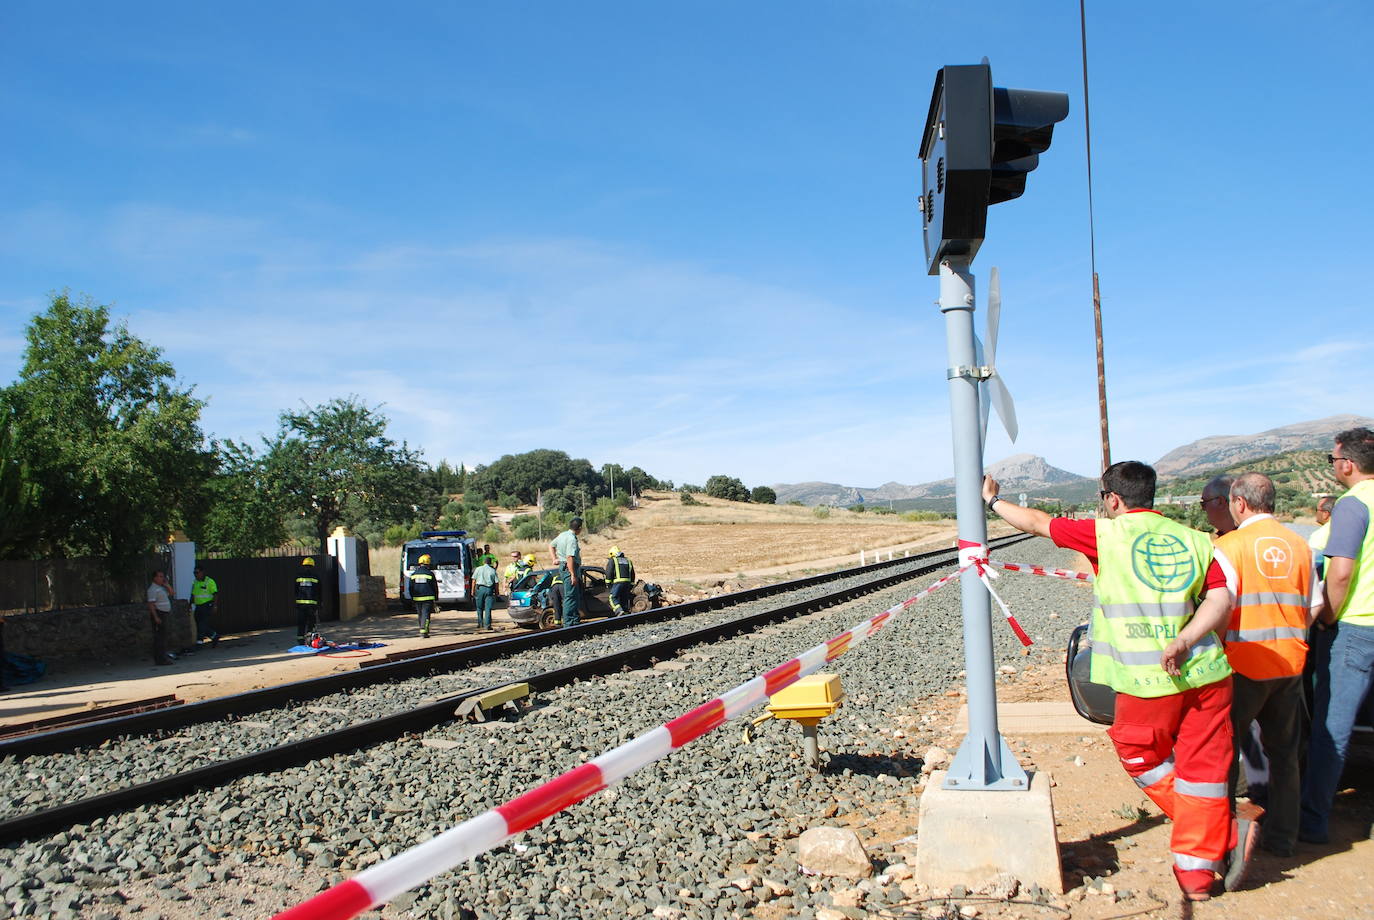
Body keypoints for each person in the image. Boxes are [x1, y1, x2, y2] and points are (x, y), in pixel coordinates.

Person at [984, 461, 1254, 901]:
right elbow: (1222, 599)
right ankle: (1198, 877)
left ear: (1112, 499)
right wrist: (1186, 638)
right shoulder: (1197, 540)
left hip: (1148, 679)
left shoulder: (1105, 534)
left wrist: (992, 500)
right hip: (1207, 673)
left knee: (1138, 752)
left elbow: (1035, 522)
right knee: (1203, 772)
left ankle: (1218, 833)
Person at [1212, 472, 1314, 857]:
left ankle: (1225, 841)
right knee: (1286, 757)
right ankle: (1283, 839)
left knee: (1224, 754)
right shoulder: (1300, 545)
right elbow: (1315, 605)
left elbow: (1220, 607)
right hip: (1290, 664)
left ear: (1239, 503)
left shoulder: (1231, 547)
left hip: (1243, 665)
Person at [1301, 427, 1374, 845]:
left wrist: (1326, 616)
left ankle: (1312, 821)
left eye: (1333, 460)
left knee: (1332, 728)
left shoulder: (1352, 505)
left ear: (1347, 463)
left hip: (1356, 627)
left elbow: (1341, 571)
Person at [548, 517, 584, 627]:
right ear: (579, 528)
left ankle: (574, 620)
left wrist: (554, 559)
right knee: (570, 596)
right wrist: (573, 574)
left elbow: (551, 545)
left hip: (565, 567)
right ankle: (569, 623)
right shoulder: (572, 539)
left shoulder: (562, 535)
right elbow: (570, 557)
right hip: (569, 568)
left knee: (574, 595)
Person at [146, 569, 174, 666]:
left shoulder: (161, 588)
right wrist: (156, 617)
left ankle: (163, 657)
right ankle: (160, 659)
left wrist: (167, 585)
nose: (162, 578)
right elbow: (151, 604)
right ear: (155, 578)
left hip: (164, 614)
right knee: (159, 638)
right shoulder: (152, 589)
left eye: (163, 576)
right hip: (159, 614)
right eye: (160, 576)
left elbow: (171, 593)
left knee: (164, 637)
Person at [409, 553, 438, 638]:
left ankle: (422, 629)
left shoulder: (414, 574)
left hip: (417, 598)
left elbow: (410, 587)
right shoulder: (430, 574)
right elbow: (434, 587)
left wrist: (412, 597)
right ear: (428, 563)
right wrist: (436, 597)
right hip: (428, 598)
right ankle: (424, 631)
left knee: (420, 614)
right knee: (426, 614)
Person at [190, 565, 220, 647]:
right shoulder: (195, 582)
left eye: (197, 573)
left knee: (202, 624)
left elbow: (215, 594)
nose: (195, 574)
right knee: (199, 623)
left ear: (202, 572)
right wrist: (190, 604)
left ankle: (199, 641)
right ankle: (214, 635)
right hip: (198, 606)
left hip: (207, 606)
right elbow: (193, 594)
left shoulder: (209, 582)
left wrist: (215, 606)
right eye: (194, 573)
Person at [294, 557, 321, 644]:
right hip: (312, 605)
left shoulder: (298, 576)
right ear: (312, 566)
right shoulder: (315, 577)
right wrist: (320, 603)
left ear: (304, 566)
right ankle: (310, 641)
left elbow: (296, 590)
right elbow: (319, 591)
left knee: (301, 623)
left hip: (301, 605)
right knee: (311, 624)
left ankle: (300, 641)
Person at [1308, 496, 1336, 579]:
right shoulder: (1348, 529)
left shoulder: (1319, 535)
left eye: (1317, 510)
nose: (1316, 513)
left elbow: (1313, 564)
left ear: (1325, 514)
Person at [472, 555, 499, 630]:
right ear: (490, 563)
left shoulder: (478, 569)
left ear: (484, 562)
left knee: (479, 607)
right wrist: (497, 593)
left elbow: (474, 581)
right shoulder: (493, 570)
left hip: (479, 589)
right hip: (489, 590)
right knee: (488, 608)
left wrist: (472, 591)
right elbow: (496, 583)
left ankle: (480, 623)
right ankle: (487, 625)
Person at [606, 546, 635, 615]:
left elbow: (609, 572)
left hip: (617, 583)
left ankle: (618, 610)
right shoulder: (628, 560)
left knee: (612, 597)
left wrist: (608, 583)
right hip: (627, 583)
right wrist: (631, 584)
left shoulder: (613, 560)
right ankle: (625, 613)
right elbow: (632, 573)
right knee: (624, 599)